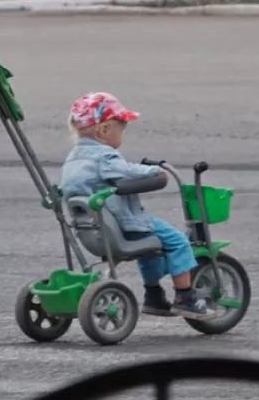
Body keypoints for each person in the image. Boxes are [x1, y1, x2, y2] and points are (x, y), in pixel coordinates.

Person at [59, 93, 218, 319]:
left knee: (150, 251)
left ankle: (154, 296)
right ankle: (185, 296)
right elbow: (127, 171)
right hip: (124, 225)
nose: (121, 136)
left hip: (95, 230)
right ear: (104, 130)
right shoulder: (104, 156)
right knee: (177, 241)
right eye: (120, 130)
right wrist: (155, 171)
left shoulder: (74, 158)